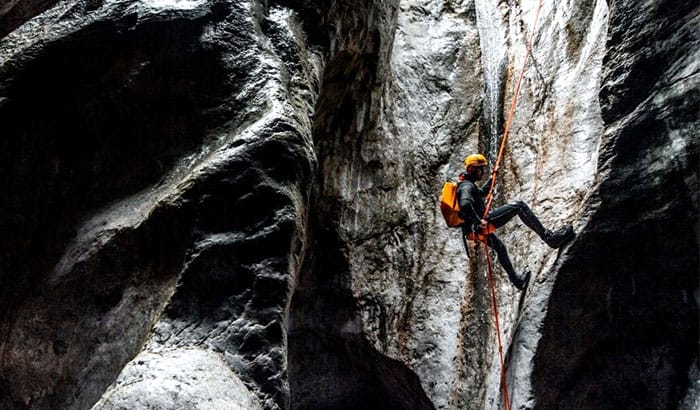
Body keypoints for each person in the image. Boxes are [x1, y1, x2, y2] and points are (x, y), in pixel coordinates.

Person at [457, 153, 574, 290]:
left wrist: (492, 178)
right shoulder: (466, 187)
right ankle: (550, 238)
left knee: (500, 248)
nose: (482, 172)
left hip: (472, 230)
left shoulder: (466, 184)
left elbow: (481, 193)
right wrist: (478, 221)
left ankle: (518, 281)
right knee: (519, 206)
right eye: (480, 169)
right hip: (482, 223)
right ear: (471, 169)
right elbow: (465, 204)